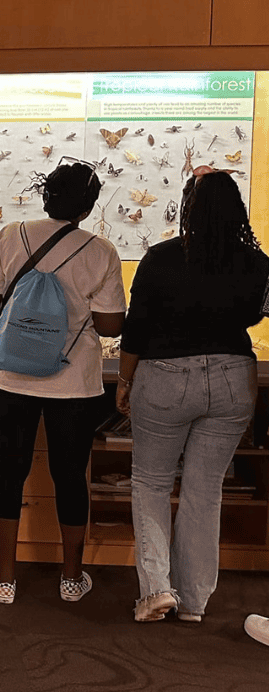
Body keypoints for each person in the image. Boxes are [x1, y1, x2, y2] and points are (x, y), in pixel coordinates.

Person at [117, 167, 269, 623]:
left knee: (152, 483)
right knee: (206, 491)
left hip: (164, 376)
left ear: (188, 206)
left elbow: (136, 330)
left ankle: (157, 591)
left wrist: (125, 383)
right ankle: (196, 603)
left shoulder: (161, 257)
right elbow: (258, 314)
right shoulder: (256, 262)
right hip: (233, 376)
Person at [0, 161, 126, 605]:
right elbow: (112, 324)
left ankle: (5, 578)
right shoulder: (101, 251)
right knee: (69, 475)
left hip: (8, 374)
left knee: (9, 469)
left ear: (46, 197)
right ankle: (71, 578)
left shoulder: (11, 235)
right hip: (73, 382)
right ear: (90, 205)